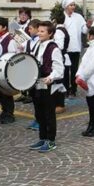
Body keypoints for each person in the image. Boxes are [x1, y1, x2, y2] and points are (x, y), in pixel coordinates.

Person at [29, 21, 64, 153]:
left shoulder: (53, 48)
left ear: (50, 33)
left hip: (48, 84)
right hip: (37, 83)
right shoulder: (37, 44)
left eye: (42, 31)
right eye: (39, 30)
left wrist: (50, 78)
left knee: (49, 113)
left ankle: (51, 140)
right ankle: (42, 138)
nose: (39, 33)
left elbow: (59, 69)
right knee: (39, 113)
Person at [63, 0, 90, 96]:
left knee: (74, 69)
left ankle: (73, 89)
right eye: (71, 5)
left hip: (75, 47)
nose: (73, 7)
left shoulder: (78, 16)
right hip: (65, 48)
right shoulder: (62, 16)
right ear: (66, 6)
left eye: (74, 5)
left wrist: (87, 26)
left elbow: (83, 30)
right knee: (65, 70)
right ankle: (65, 89)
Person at [0, 17, 18, 124]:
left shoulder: (10, 40)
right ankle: (4, 111)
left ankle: (9, 113)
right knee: (0, 93)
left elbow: (12, 57)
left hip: (6, 71)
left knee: (6, 93)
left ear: (4, 27)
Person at [16, 19, 40, 105]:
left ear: (37, 29)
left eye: (30, 28)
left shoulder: (40, 41)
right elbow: (22, 48)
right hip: (30, 66)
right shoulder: (29, 41)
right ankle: (30, 95)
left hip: (38, 68)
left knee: (38, 92)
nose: (28, 31)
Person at [53, 12, 70, 114]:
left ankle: (60, 104)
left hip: (60, 57)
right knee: (61, 80)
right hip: (63, 56)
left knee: (59, 81)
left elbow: (60, 46)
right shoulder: (63, 29)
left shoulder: (59, 31)